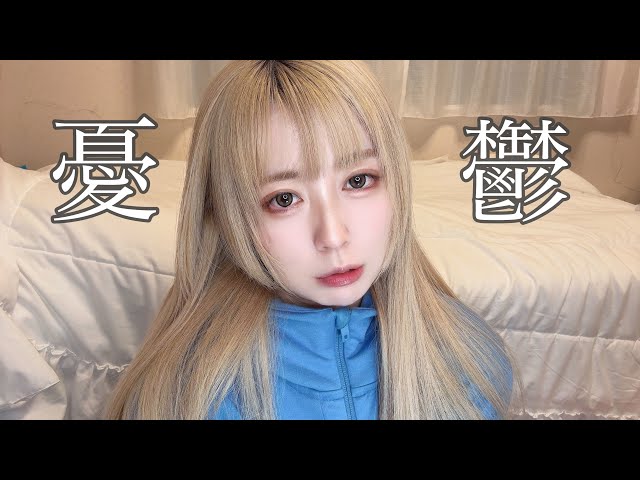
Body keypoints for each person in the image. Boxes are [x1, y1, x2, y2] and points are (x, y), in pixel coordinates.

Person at [104, 60, 519, 420]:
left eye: (359, 180)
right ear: (224, 215)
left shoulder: (469, 360)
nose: (333, 236)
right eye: (284, 199)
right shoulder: (190, 396)